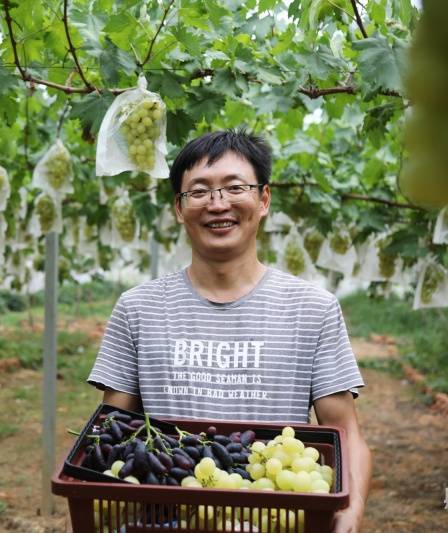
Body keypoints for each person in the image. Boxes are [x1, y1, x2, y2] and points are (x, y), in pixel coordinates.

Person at [87, 130, 371, 532]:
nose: (218, 203)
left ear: (264, 199)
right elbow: (112, 433)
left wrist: (350, 513)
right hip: (165, 522)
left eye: (235, 187)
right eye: (199, 191)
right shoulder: (138, 308)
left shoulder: (313, 309)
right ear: (179, 209)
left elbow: (346, 435)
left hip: (273, 518)